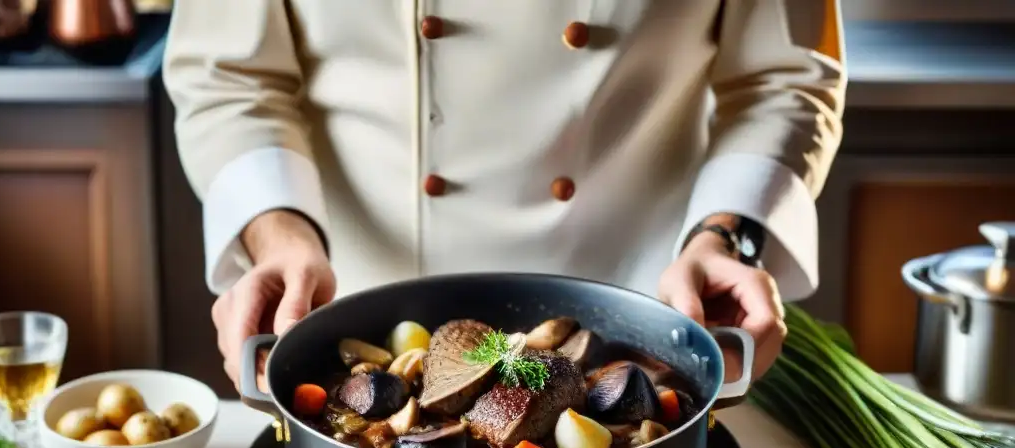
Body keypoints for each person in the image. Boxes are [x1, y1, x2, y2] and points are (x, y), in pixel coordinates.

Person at [163, 1, 845, 389]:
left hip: (638, 330)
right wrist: (278, 235)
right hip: (360, 336)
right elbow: (230, 78)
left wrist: (727, 236)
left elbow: (784, 81)